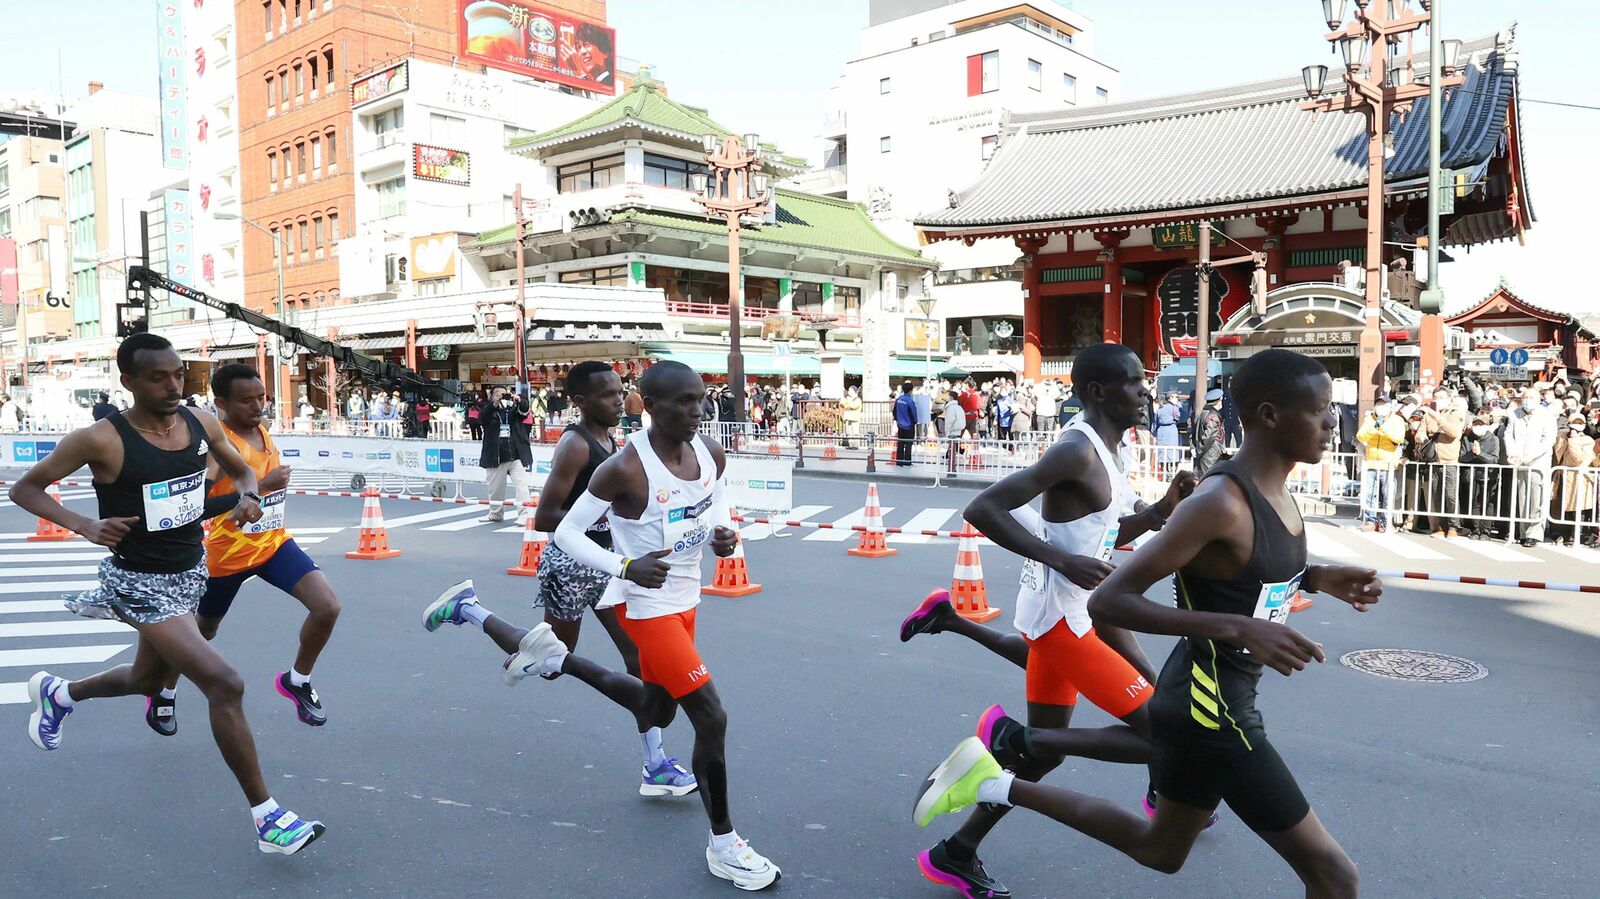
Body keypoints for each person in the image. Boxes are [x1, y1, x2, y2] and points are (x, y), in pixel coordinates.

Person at [914, 349, 1380, 898]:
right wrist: (1238, 629)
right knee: (1334, 875)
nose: (1336, 422)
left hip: (1206, 692)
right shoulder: (1215, 499)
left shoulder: (1270, 490)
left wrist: (1315, 577)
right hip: (1206, 706)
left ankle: (991, 785)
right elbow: (1112, 597)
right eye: (1323, 409)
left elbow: (1238, 572)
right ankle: (1012, 745)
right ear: (1271, 415)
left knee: (1159, 850)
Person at [430, 361, 779, 890]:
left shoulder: (708, 449)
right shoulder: (623, 468)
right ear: (651, 406)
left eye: (700, 399)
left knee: (655, 704)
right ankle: (725, 845)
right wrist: (623, 565)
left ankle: (554, 659)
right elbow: (561, 529)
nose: (697, 410)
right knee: (711, 718)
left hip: (688, 601)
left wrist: (724, 533)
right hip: (647, 606)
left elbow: (715, 498)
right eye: (683, 402)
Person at [899, 343, 1200, 898]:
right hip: (1064, 619)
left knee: (1046, 754)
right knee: (1165, 736)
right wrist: (1059, 560)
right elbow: (983, 507)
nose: (1145, 392)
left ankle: (955, 852)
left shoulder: (1114, 452)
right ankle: (1013, 734)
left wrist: (1159, 513)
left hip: (1070, 611)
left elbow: (1101, 536)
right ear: (1097, 393)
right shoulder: (1076, 452)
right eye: (1134, 384)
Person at [13, 333, 325, 855]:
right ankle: (269, 820)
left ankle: (59, 694)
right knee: (224, 683)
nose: (172, 385)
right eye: (157, 377)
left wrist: (249, 493)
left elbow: (242, 466)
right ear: (128, 381)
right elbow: (25, 487)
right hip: (137, 583)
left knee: (146, 679)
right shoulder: (100, 439)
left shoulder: (200, 421)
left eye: (179, 374)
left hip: (188, 571)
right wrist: (84, 525)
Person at [424, 362, 695, 797]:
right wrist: (608, 509)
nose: (619, 400)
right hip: (572, 564)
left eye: (621, 391)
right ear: (580, 403)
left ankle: (656, 764)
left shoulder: (614, 439)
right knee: (551, 660)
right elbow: (547, 516)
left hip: (608, 564)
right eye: (608, 395)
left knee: (639, 661)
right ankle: (468, 609)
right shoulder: (575, 445)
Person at [150, 363, 342, 733]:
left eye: (261, 398)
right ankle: (164, 691)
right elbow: (198, 505)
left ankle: (297, 680)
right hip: (225, 556)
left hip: (272, 544)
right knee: (199, 635)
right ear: (221, 403)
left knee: (327, 606)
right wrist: (266, 485)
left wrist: (268, 492)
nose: (258, 407)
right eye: (246, 401)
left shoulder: (263, 430)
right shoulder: (217, 448)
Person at [1504, 387, 1556, 546]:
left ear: (1539, 399)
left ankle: (1534, 533)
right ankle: (1523, 531)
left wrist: (1529, 456)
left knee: (1536, 499)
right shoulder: (1515, 413)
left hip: (1538, 462)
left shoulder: (1546, 415)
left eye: (1531, 397)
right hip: (1519, 461)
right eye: (1525, 397)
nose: (1527, 400)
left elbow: (1548, 440)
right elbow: (1508, 434)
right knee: (1522, 497)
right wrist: (1511, 453)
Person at [478, 387, 533, 523]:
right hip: (495, 455)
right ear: (492, 397)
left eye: (505, 394)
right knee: (495, 488)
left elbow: (525, 411)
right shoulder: (488, 409)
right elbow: (483, 419)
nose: (502, 397)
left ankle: (524, 515)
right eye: (499, 394)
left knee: (522, 486)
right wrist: (494, 405)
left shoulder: (514, 409)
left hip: (515, 454)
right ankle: (495, 514)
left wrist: (519, 401)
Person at [1355, 394, 1405, 532]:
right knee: (1369, 493)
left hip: (1388, 462)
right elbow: (1361, 436)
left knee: (1387, 493)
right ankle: (1370, 520)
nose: (1380, 408)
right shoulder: (1369, 419)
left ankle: (1385, 521)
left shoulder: (1397, 420)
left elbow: (1399, 437)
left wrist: (1382, 428)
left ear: (1390, 407)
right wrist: (1374, 428)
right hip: (1371, 461)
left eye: (1383, 405)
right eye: (1378, 405)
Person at [1553, 412, 1596, 546]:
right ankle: (1562, 534)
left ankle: (1575, 535)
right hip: (1562, 477)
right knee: (1560, 508)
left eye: (1580, 423)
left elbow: (1578, 458)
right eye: (1574, 423)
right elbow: (1558, 454)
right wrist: (1564, 439)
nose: (1577, 426)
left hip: (1580, 479)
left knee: (1578, 508)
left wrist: (1573, 440)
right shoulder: (1561, 437)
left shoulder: (1587, 440)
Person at [1460, 410, 1504, 539]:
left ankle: (1486, 530)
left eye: (1481, 424)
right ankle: (1476, 529)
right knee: (1474, 503)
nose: (1478, 427)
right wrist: (1472, 453)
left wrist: (1479, 454)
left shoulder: (1493, 439)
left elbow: (1494, 459)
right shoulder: (1467, 439)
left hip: (1488, 475)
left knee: (1488, 503)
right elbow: (1462, 457)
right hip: (1471, 475)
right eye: (1476, 424)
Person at [1192, 389, 1226, 476]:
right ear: (1218, 401)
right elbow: (1209, 436)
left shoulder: (1204, 413)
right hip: (1211, 454)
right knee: (1211, 479)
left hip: (1208, 453)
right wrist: (1200, 449)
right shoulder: (1213, 416)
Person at [894, 382, 917, 466]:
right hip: (909, 425)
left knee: (900, 443)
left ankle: (899, 461)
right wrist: (915, 421)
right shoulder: (910, 401)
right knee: (908, 444)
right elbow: (913, 413)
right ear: (911, 390)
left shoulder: (899, 399)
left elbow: (894, 411)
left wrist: (897, 420)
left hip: (900, 424)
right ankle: (907, 462)